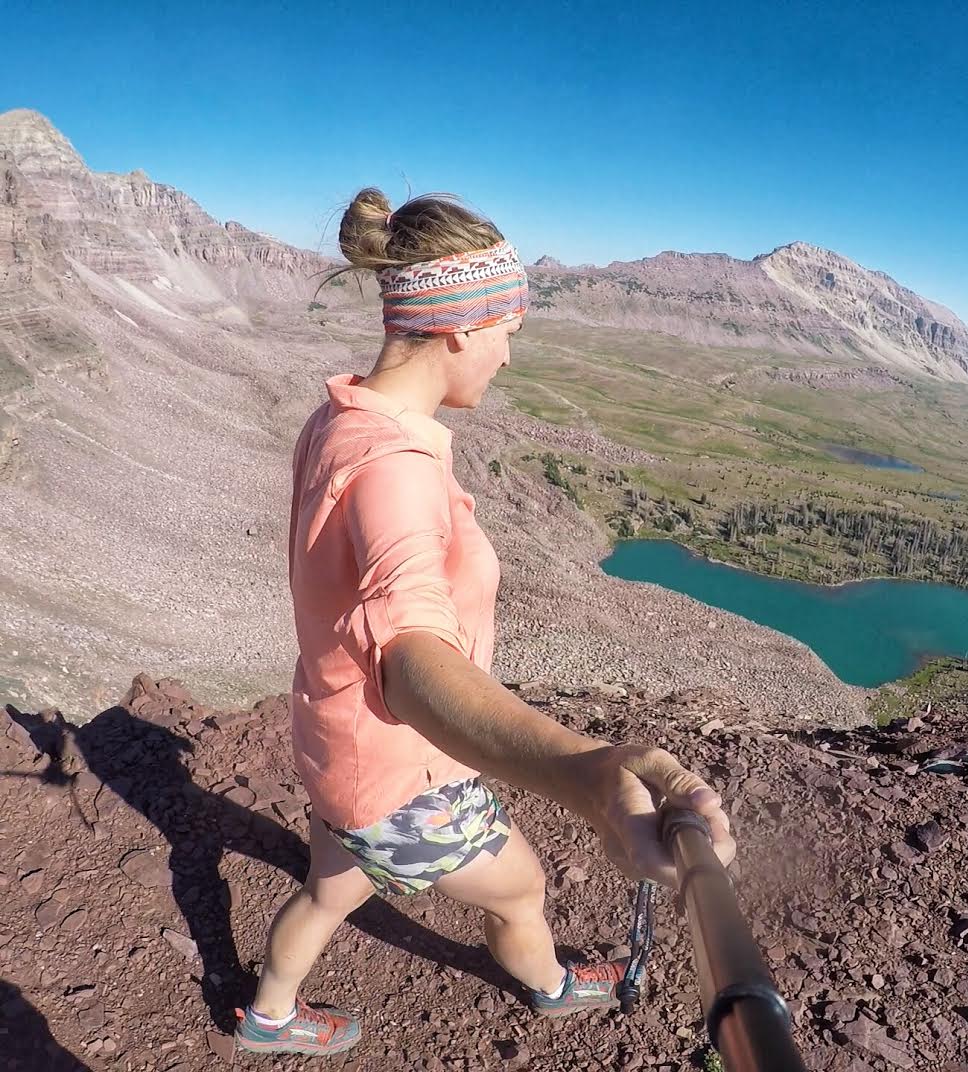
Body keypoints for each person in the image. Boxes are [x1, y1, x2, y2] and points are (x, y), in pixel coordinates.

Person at [234, 189, 735, 1057]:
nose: (507, 356)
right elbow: (410, 654)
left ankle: (267, 1017)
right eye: (507, 330)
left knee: (332, 884)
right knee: (520, 887)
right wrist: (588, 774)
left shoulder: (343, 415)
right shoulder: (396, 467)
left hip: (336, 737)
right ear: (462, 327)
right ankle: (548, 985)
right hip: (401, 768)